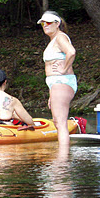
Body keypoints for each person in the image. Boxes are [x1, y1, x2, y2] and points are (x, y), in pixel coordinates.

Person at [37, 10, 77, 145]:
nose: (45, 25)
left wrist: (63, 68)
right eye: (42, 23)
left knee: (60, 122)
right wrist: (51, 94)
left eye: (48, 22)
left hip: (62, 82)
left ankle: (62, 161)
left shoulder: (60, 37)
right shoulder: (54, 40)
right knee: (57, 122)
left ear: (57, 23)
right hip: (56, 85)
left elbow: (71, 52)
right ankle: (62, 158)